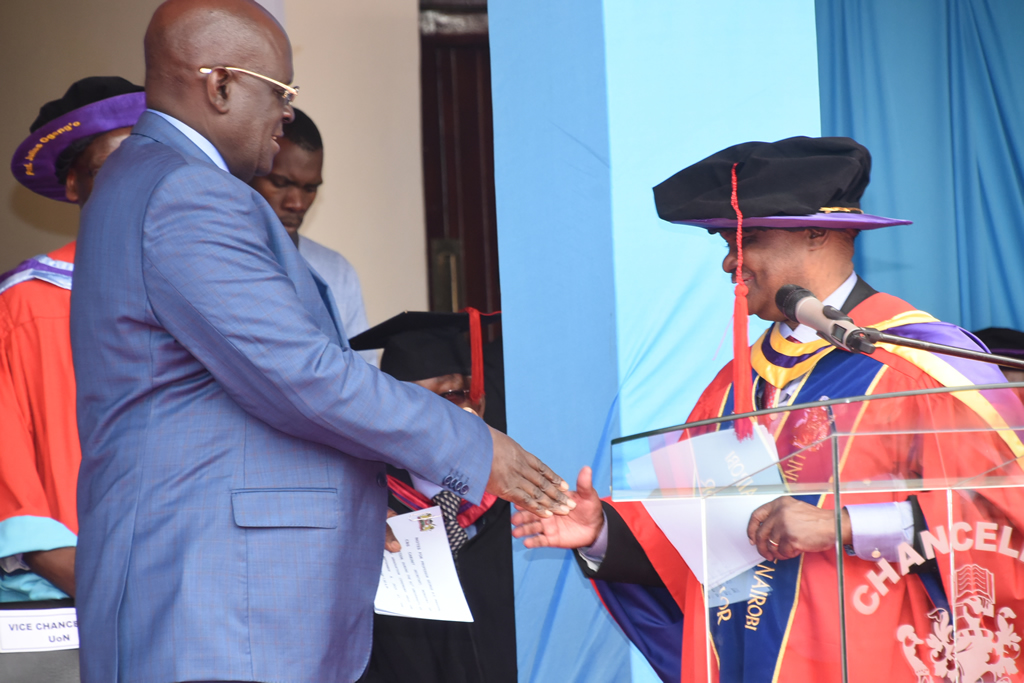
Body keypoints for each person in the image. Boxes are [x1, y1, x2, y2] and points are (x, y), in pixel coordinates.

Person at [68, 2, 571, 682]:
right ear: (220, 84)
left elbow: (233, 387)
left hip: (209, 589)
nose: (287, 115)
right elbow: (300, 376)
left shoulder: (139, 179)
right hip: (220, 603)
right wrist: (475, 447)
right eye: (281, 92)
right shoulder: (188, 192)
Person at [512, 137, 1024, 682]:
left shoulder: (922, 368)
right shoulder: (733, 388)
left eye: (748, 239)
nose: (730, 262)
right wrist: (601, 531)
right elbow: (696, 538)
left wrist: (844, 525)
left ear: (815, 232)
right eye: (727, 243)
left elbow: (1002, 516)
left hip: (878, 660)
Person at [0, 76, 146, 683]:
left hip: (190, 593)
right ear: (73, 184)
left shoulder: (207, 291)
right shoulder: (29, 303)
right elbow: (14, 479)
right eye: (114, 166)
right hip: (63, 607)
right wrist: (105, 585)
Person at [349, 311, 516, 683]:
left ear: (478, 398)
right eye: (409, 398)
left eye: (451, 394)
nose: (431, 414)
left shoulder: (516, 504)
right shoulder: (368, 509)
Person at [249, 106, 376, 365]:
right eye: (281, 183)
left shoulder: (337, 271)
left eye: (310, 188)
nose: (297, 203)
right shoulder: (221, 258)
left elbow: (362, 370)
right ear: (249, 173)